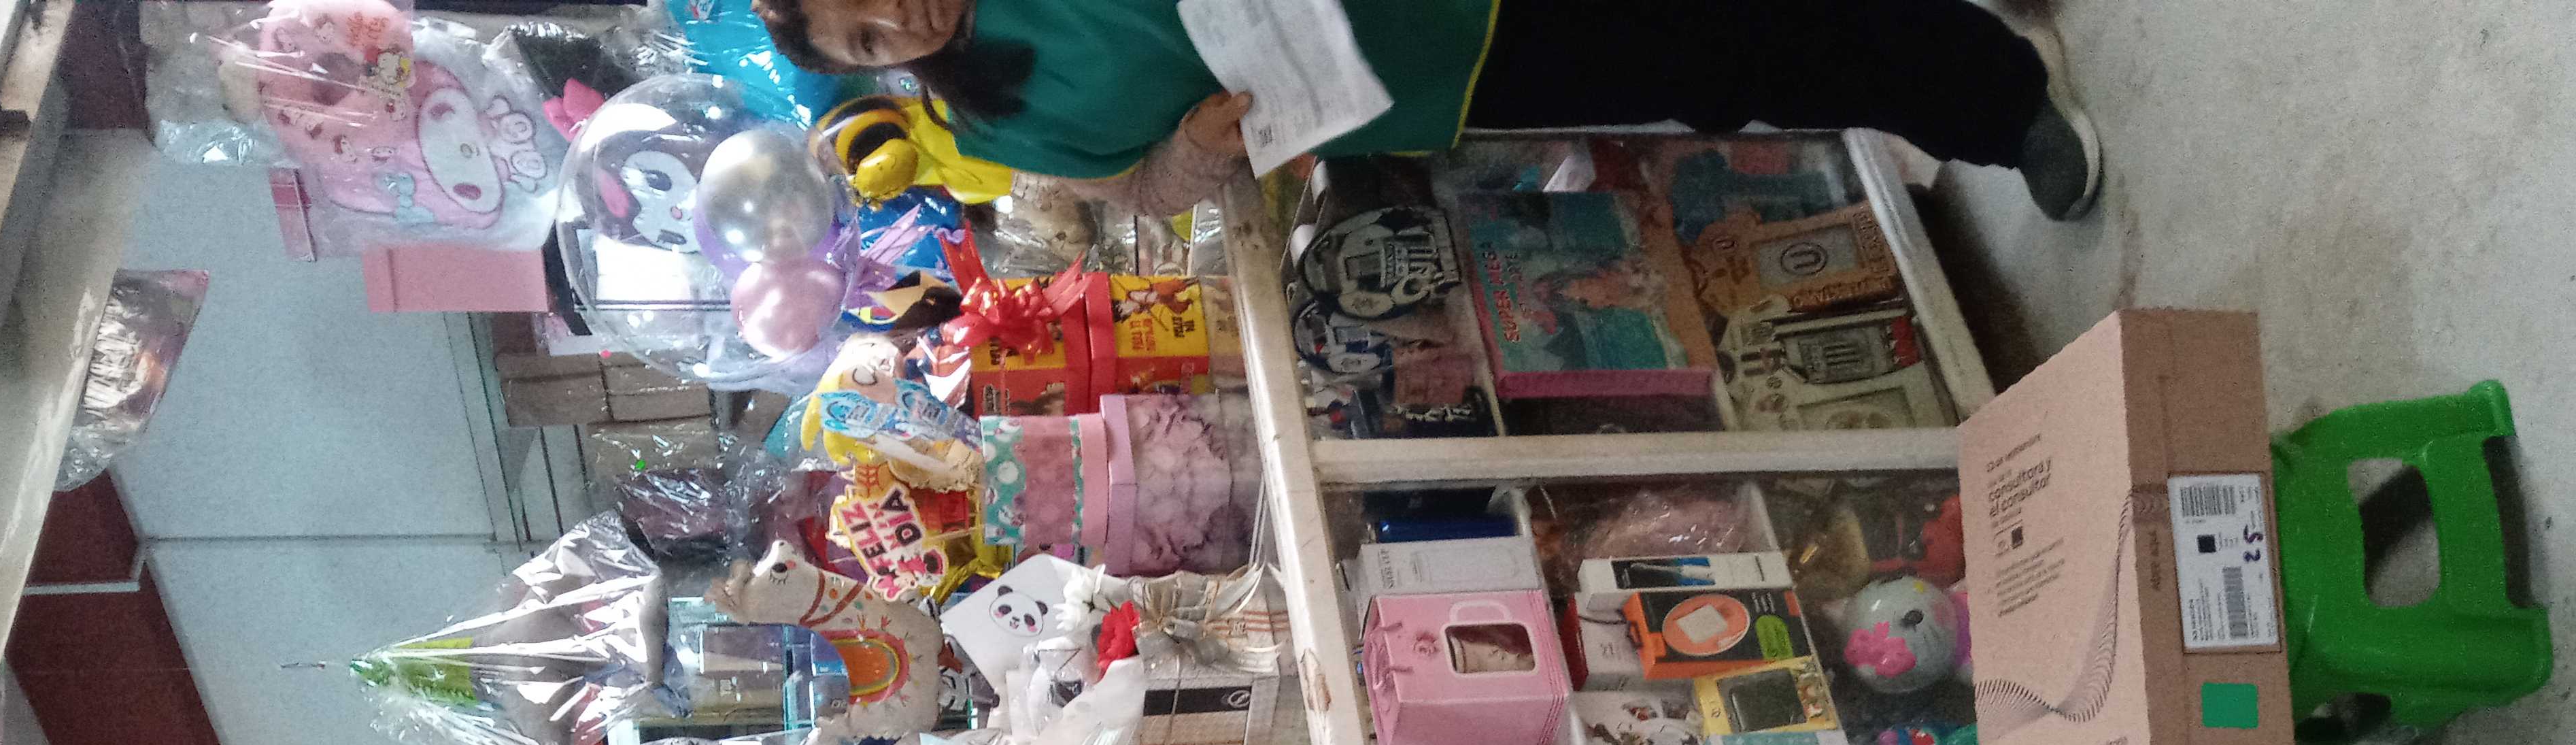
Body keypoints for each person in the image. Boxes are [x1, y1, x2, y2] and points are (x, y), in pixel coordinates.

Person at [750, 0, 2102, 223]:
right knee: (1716, 64)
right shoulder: (1000, 125)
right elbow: (1142, 192)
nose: (899, 18)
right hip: (1422, 71)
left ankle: (1981, 79)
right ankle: (1982, 99)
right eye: (868, 38)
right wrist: (1198, 153)